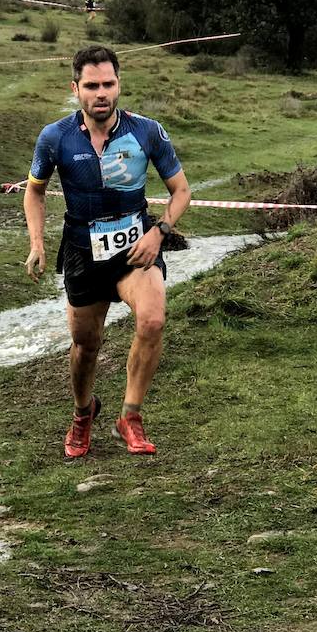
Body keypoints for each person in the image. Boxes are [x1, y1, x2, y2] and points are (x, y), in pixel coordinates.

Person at [24, 45, 191, 458]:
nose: (102, 93)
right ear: (76, 88)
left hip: (136, 248)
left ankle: (129, 418)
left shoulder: (147, 131)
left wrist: (160, 232)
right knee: (86, 345)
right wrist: (37, 243)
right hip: (83, 251)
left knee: (152, 320)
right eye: (92, 85)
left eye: (109, 84)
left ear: (120, 85)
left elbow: (181, 191)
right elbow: (35, 192)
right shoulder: (55, 137)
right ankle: (84, 414)